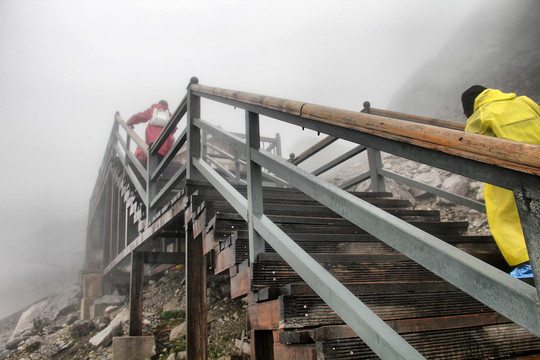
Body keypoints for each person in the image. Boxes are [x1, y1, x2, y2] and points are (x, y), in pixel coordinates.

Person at [461, 85, 540, 278]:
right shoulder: (523, 101)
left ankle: (526, 263)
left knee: (502, 212)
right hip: (537, 161)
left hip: (512, 171)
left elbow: (470, 142)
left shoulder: (483, 113)